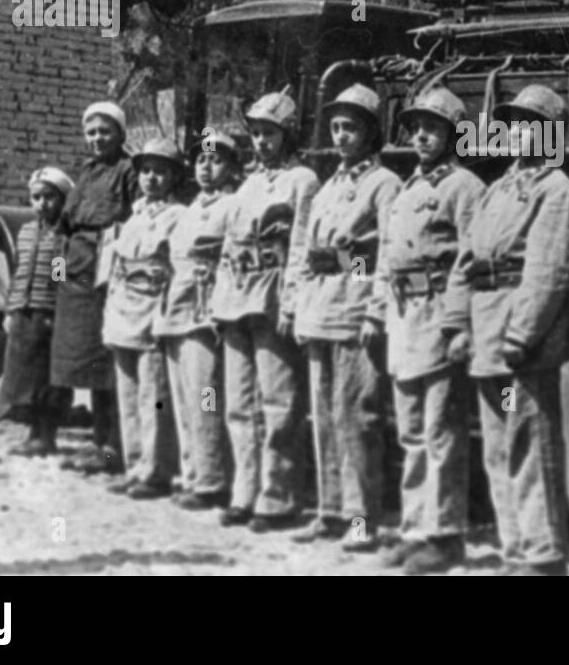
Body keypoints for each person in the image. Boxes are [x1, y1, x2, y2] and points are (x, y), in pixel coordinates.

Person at [442, 85, 569, 576]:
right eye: (512, 123)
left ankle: (543, 553)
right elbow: (467, 260)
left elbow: (550, 269)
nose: (518, 132)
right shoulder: (498, 188)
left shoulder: (557, 191)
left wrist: (522, 335)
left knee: (532, 442)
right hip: (486, 332)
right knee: (499, 446)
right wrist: (457, 322)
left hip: (524, 343)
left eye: (529, 123)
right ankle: (514, 546)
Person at [369, 87, 484, 572]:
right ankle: (416, 528)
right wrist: (376, 310)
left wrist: (459, 324)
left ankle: (446, 534)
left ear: (453, 134)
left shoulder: (466, 188)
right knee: (412, 431)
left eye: (432, 128)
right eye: (416, 127)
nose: (421, 136)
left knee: (441, 431)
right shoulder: (406, 188)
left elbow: (471, 259)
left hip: (439, 314)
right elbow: (385, 255)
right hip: (404, 316)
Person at [289, 84, 400, 553]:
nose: (341, 136)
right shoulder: (328, 184)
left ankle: (361, 519)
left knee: (357, 417)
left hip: (354, 311)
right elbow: (303, 248)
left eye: (350, 127)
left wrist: (374, 307)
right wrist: (294, 303)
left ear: (370, 132)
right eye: (335, 126)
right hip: (319, 310)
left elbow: (387, 252)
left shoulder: (385, 184)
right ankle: (329, 510)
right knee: (325, 416)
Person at [213, 90, 319, 532]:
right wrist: (218, 301)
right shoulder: (248, 184)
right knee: (238, 401)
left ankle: (277, 496)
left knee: (277, 400)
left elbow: (301, 246)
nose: (260, 142)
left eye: (269, 134)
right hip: (237, 294)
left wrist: (291, 301)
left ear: (288, 135)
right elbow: (228, 245)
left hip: (272, 293)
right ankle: (245, 490)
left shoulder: (303, 181)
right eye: (255, 133)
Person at [155, 132, 241, 511]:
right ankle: (191, 473)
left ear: (232, 167)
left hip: (206, 316)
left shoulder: (234, 207)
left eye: (216, 160)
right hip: (177, 310)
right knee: (185, 398)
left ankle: (212, 479)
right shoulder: (189, 210)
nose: (207, 167)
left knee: (207, 397)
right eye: (202, 160)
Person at [53, 101, 137, 475]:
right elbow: (63, 228)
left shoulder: (128, 170)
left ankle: (111, 449)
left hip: (107, 275)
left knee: (106, 365)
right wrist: (58, 278)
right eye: (91, 132)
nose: (97, 138)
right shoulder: (86, 173)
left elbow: (136, 220)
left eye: (105, 131)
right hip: (75, 279)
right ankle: (96, 442)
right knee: (78, 363)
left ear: (120, 134)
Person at [103, 137, 186, 499]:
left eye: (161, 172)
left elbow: (177, 267)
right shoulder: (133, 217)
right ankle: (134, 464)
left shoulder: (179, 216)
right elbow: (117, 266)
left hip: (153, 307)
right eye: (147, 171)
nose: (152, 179)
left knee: (154, 394)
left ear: (173, 177)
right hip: (123, 309)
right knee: (129, 393)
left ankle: (155, 469)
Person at [0, 165, 76, 458]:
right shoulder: (27, 232)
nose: (42, 203)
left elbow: (58, 277)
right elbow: (20, 272)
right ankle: (32, 432)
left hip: (46, 312)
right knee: (25, 377)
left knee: (47, 378)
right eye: (36, 197)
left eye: (49, 197)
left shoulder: (62, 236)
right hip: (23, 310)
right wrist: (11, 308)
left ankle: (45, 435)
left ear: (62, 199)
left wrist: (53, 310)